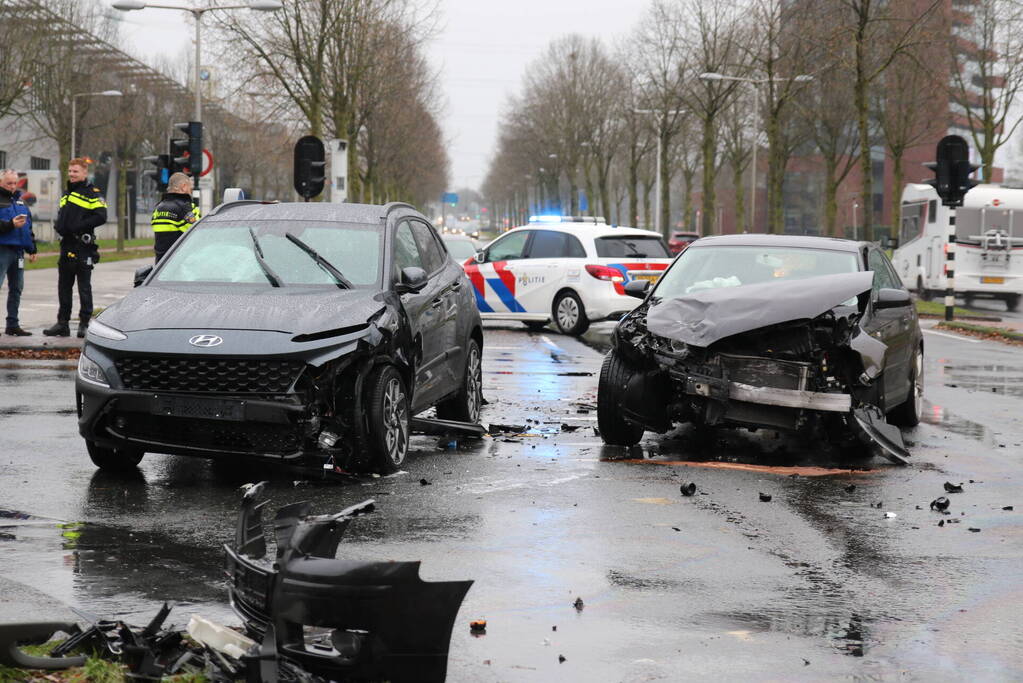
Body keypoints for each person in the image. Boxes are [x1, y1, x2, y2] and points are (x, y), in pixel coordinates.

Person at [43, 157, 107, 338]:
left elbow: (101, 216)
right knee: (64, 286)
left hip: (83, 246)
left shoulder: (92, 192)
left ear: (85, 172)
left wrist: (79, 226)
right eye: (70, 171)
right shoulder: (67, 192)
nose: (71, 174)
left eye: (75, 171)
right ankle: (62, 323)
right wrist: (59, 226)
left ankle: (84, 324)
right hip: (67, 244)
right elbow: (63, 214)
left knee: (84, 287)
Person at [0, 169, 37, 335]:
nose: (13, 186)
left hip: (19, 251)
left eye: (15, 183)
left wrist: (32, 248)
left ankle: (12, 324)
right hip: (2, 250)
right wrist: (10, 225)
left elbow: (28, 227)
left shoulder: (20, 201)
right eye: (9, 183)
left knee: (17, 288)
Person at [152, 172, 199, 262]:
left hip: (160, 265)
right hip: (180, 264)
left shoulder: (158, 208)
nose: (191, 191)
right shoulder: (187, 208)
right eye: (190, 188)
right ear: (184, 186)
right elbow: (197, 234)